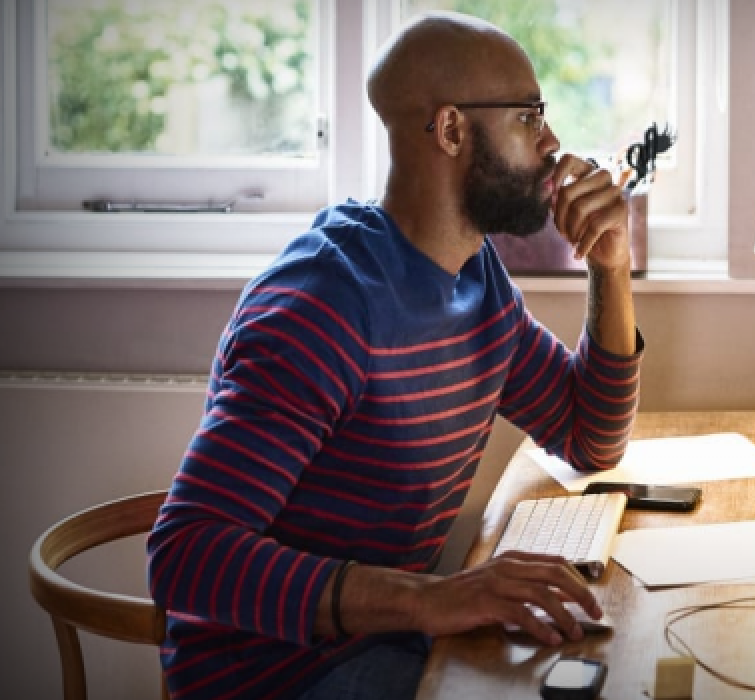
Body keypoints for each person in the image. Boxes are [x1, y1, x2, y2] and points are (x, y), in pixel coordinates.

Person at [146, 12, 643, 700]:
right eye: (529, 116)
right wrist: (428, 600)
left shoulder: (476, 277)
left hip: (387, 644)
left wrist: (610, 268)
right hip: (278, 676)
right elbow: (184, 556)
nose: (553, 143)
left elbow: (590, 437)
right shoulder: (322, 308)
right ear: (450, 131)